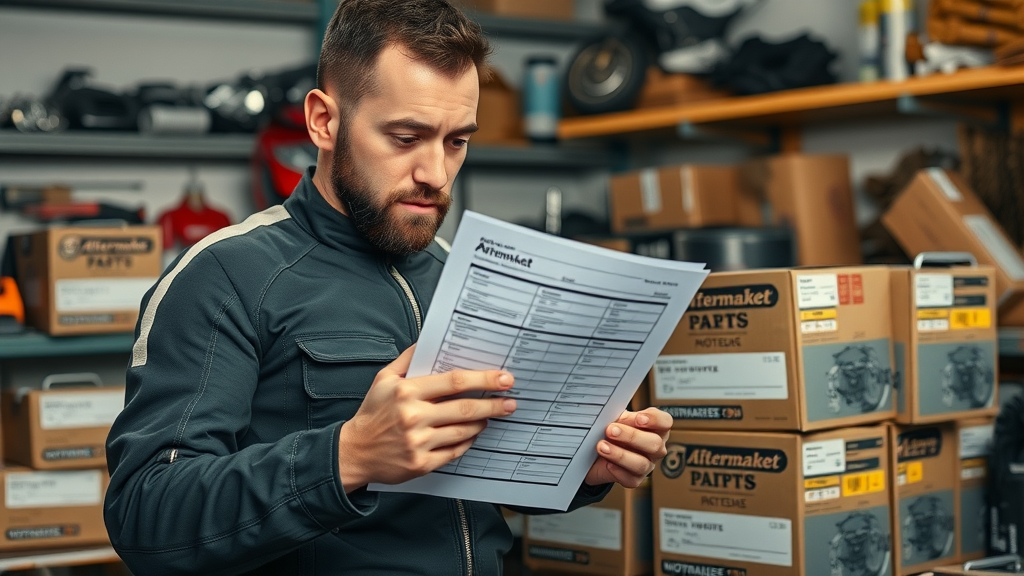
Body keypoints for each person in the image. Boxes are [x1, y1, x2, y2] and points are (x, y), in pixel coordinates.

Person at [103, 1, 673, 574]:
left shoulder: (465, 274)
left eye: (457, 141)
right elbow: (147, 516)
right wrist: (348, 457)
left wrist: (581, 468)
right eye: (406, 137)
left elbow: (478, 487)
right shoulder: (226, 276)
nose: (437, 173)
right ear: (324, 121)